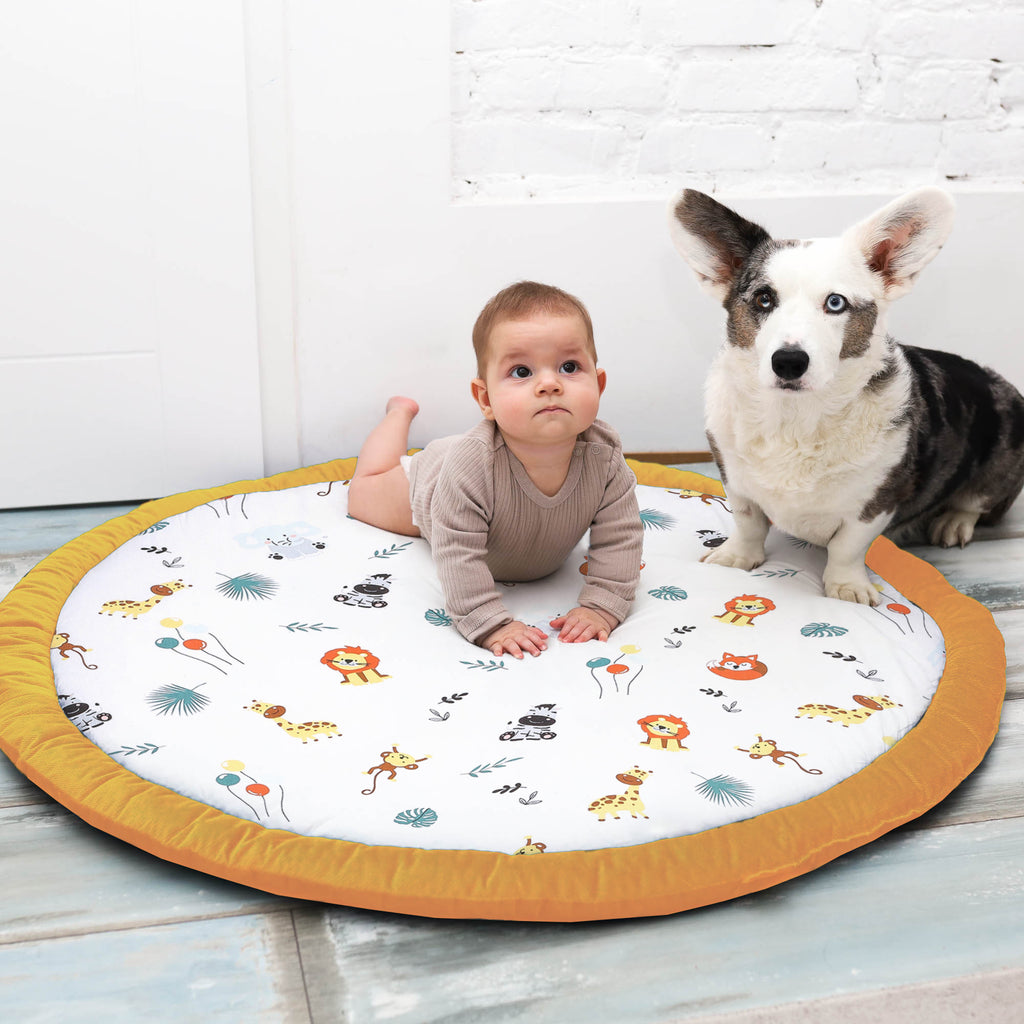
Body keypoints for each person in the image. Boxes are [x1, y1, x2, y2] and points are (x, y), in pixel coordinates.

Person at [347, 281, 643, 659]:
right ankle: (398, 414)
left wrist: (603, 604)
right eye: (522, 371)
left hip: (487, 479)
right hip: (433, 484)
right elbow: (457, 552)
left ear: (598, 385)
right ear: (485, 399)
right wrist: (488, 621)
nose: (549, 383)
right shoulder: (470, 466)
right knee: (363, 492)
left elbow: (621, 537)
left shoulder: (605, 458)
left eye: (569, 367)